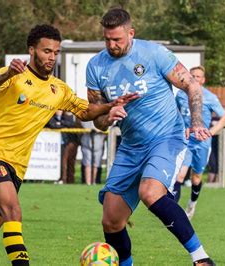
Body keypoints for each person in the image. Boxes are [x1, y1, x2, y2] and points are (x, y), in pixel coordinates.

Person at [0, 24, 138, 266]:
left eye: (56, 52)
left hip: (17, 166)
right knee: (13, 211)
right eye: (47, 51)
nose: (52, 57)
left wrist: (111, 105)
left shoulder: (58, 89)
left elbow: (86, 111)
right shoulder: (14, 75)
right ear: (32, 50)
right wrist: (5, 75)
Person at [86, 9, 215, 266]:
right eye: (107, 40)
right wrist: (108, 115)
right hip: (130, 147)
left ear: (130, 33)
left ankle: (201, 259)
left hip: (166, 137)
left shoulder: (154, 54)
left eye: (117, 40)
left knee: (150, 191)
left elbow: (191, 84)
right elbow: (97, 119)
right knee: (111, 220)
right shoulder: (95, 66)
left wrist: (197, 120)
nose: (112, 45)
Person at [173, 66, 225, 218]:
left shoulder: (210, 97)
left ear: (203, 80)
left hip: (202, 143)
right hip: (184, 141)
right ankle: (173, 213)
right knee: (179, 176)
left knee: (196, 178)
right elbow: (175, 113)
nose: (195, 78)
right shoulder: (181, 95)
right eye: (193, 76)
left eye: (198, 76)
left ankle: (192, 204)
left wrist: (210, 132)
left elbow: (223, 119)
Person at [80, 121, 107, 185]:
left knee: (96, 163)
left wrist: (99, 129)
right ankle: (88, 182)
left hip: (99, 141)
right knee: (87, 163)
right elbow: (82, 123)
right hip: (86, 140)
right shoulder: (87, 115)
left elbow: (108, 125)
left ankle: (94, 181)